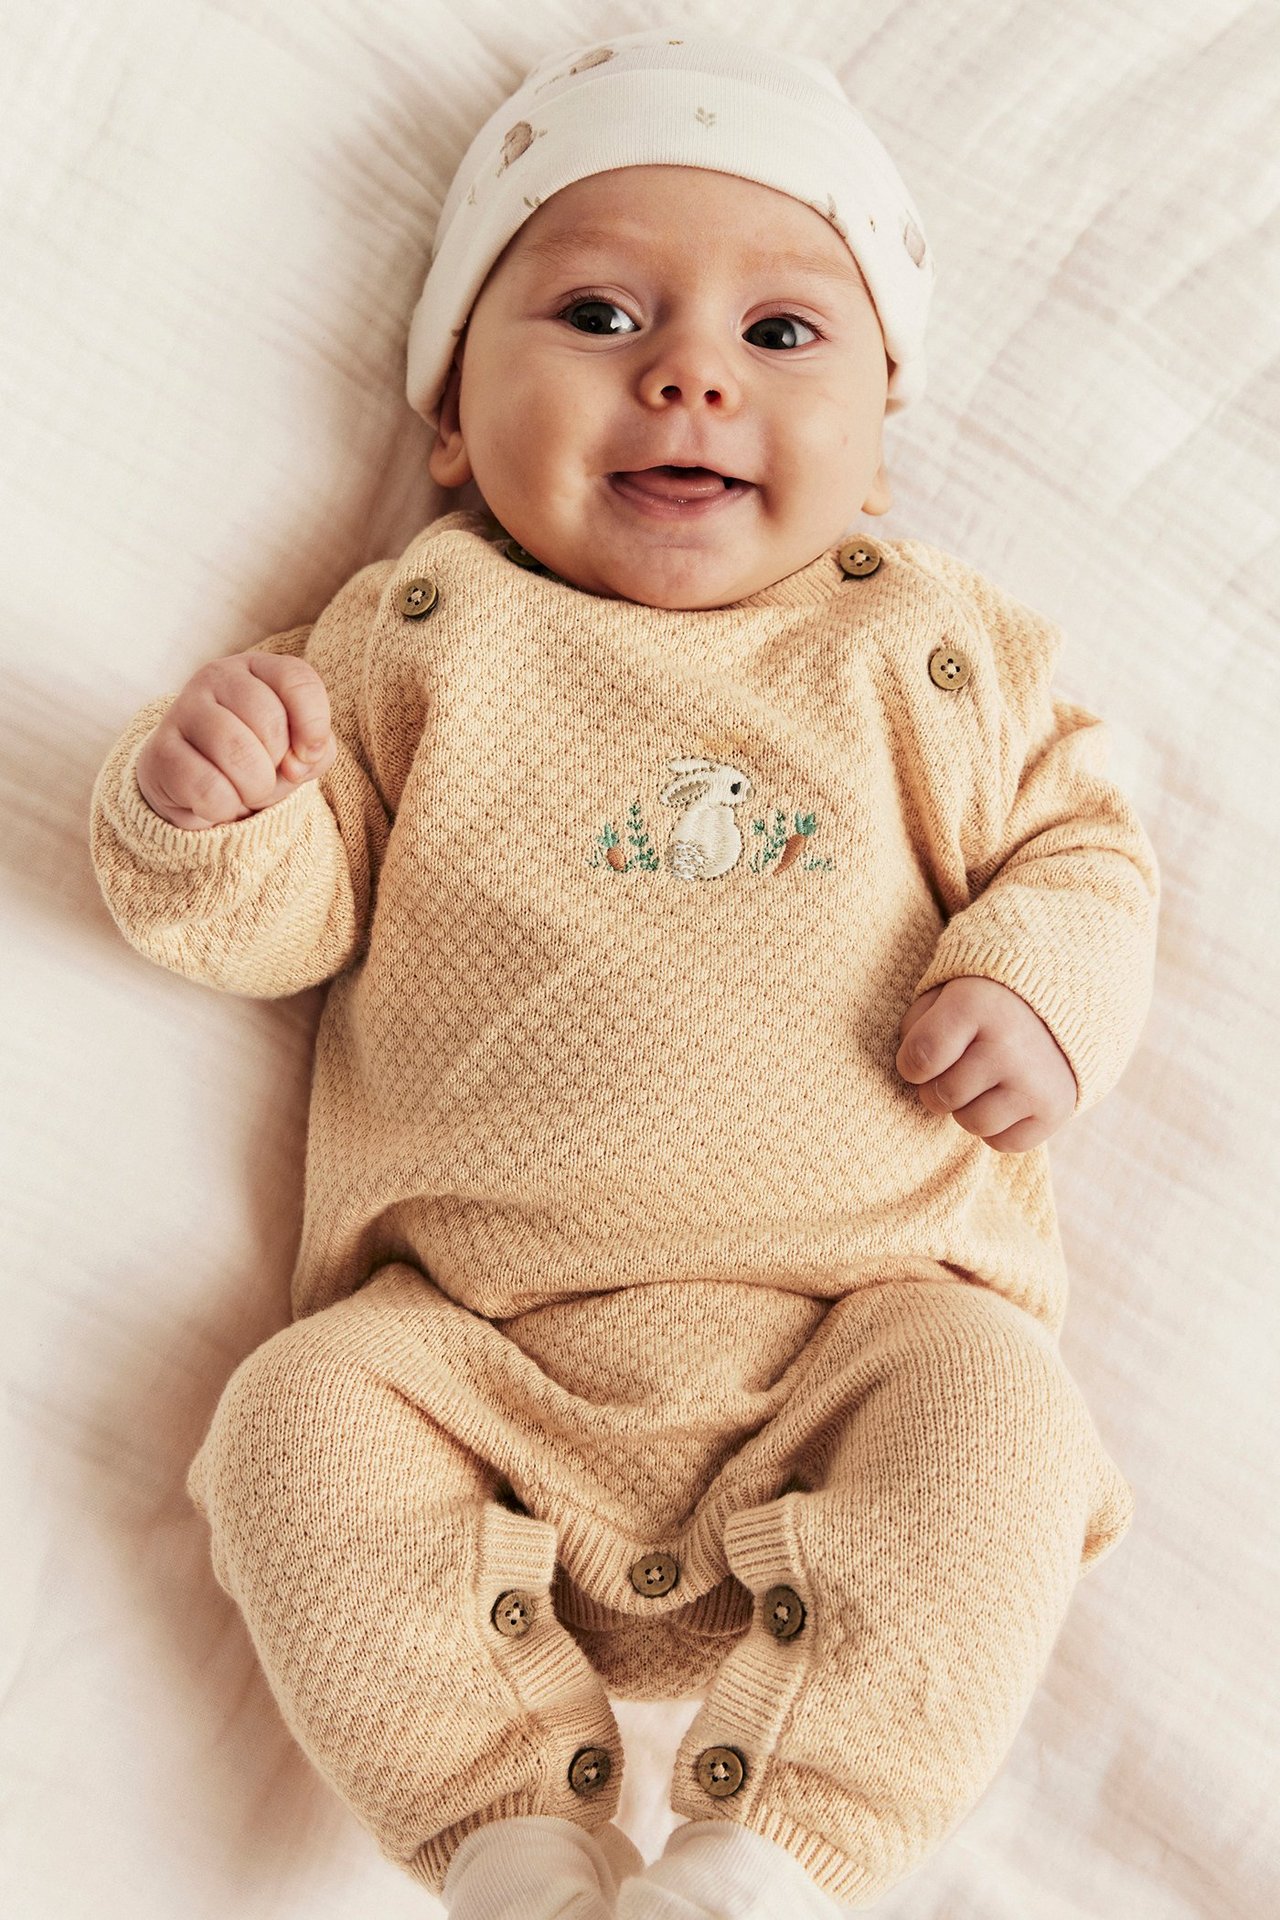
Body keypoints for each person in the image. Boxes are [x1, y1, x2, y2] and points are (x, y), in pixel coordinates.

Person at [88, 28, 1159, 1920]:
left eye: (784, 335)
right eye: (594, 312)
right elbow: (280, 922)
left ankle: (777, 1857)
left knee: (1006, 1422)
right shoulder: (414, 637)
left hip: (862, 1335)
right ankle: (517, 1841)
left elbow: (1088, 841)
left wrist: (1042, 983)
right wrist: (212, 813)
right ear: (444, 420)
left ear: (886, 432)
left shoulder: (937, 648)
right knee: (286, 1427)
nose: (686, 371)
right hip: (474, 1367)